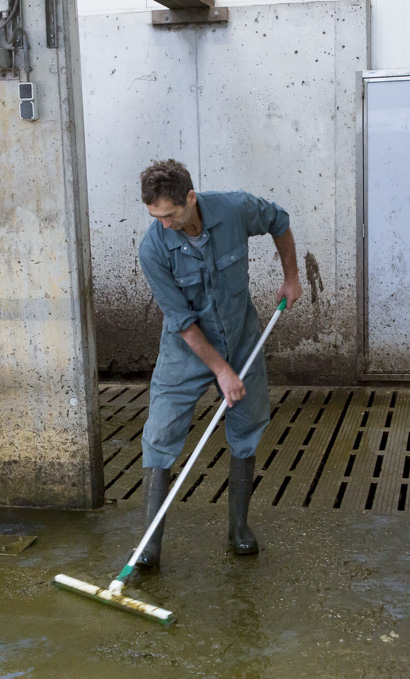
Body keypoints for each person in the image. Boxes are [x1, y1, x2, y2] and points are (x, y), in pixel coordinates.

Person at [135, 158, 302, 570]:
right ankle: (149, 545)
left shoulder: (235, 208)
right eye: (156, 217)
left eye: (170, 215)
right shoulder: (153, 248)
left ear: (190, 199)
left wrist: (292, 276)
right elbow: (182, 322)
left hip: (241, 337)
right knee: (160, 433)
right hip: (185, 350)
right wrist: (220, 370)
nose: (165, 225)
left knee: (247, 425)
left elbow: (278, 220)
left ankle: (239, 527)